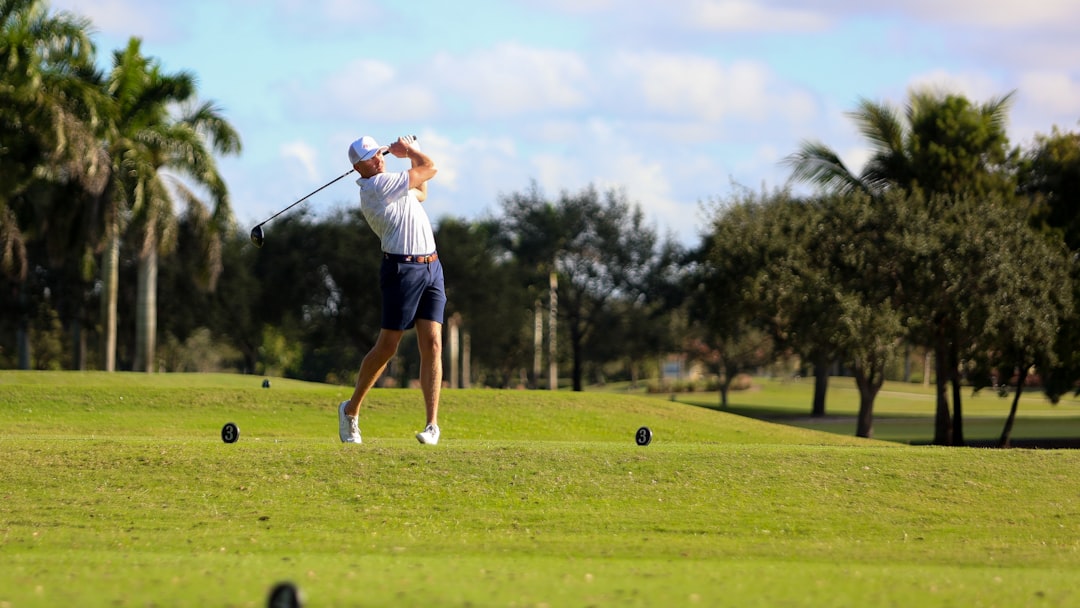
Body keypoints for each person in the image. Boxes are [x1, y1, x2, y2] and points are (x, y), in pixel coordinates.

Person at [337, 134, 444, 445]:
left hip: (431, 266)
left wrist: (412, 154)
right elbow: (430, 169)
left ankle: (432, 425)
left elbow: (421, 190)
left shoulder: (393, 183)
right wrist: (410, 151)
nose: (377, 159)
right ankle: (351, 410)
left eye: (378, 153)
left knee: (433, 343)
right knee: (387, 347)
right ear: (358, 168)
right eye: (369, 158)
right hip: (402, 270)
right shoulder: (377, 186)